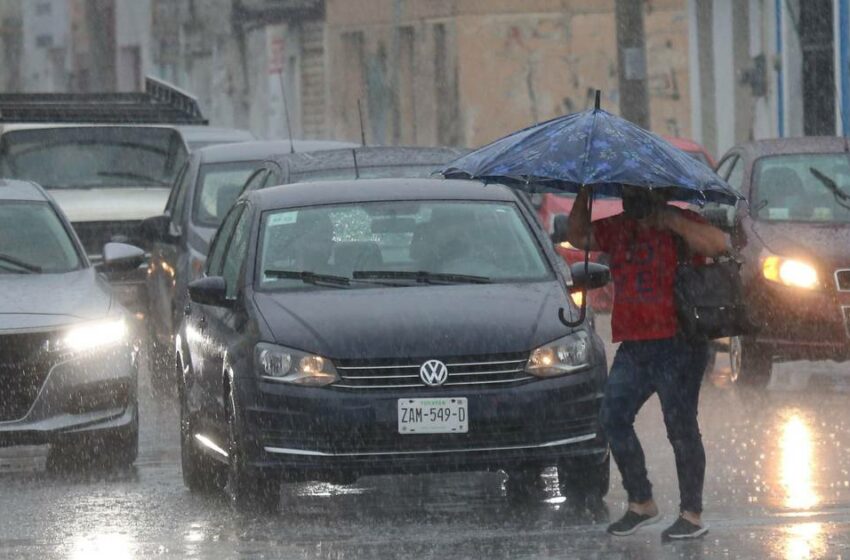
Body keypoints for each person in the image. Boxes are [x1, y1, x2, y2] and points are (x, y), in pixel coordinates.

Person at [564, 185, 728, 542]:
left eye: (636, 189)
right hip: (635, 344)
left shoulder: (679, 221)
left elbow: (718, 244)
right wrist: (585, 191)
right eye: (624, 189)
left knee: (680, 427)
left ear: (655, 191)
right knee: (612, 416)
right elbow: (578, 236)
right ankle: (641, 501)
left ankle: (692, 513)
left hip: (678, 341)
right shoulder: (619, 226)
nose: (629, 196)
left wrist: (670, 220)